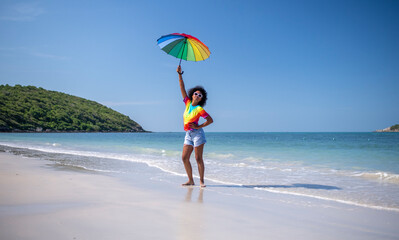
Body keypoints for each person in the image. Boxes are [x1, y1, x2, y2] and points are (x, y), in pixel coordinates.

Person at [177, 65, 213, 188]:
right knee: (184, 157)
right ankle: (190, 180)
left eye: (200, 95)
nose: (197, 96)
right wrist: (180, 75)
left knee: (198, 158)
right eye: (196, 93)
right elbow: (182, 88)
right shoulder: (187, 103)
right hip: (188, 134)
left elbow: (210, 120)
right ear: (192, 94)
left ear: (201, 99)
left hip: (197, 134)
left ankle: (201, 181)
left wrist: (198, 127)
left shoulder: (199, 109)